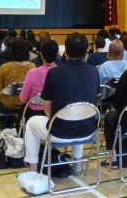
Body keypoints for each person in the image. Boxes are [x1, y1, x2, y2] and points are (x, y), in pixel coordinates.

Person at [24, 33, 100, 175]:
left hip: (59, 131)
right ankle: (78, 164)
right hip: (88, 130)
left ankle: (33, 170)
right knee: (79, 114)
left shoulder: (54, 73)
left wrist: (59, 118)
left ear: (65, 52)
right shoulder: (94, 72)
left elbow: (47, 107)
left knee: (30, 123)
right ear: (86, 51)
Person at [0, 39, 35, 123]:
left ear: (12, 51)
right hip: (26, 104)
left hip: (7, 104)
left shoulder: (4, 67)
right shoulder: (32, 66)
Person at [19, 39, 59, 120]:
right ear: (57, 54)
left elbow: (23, 99)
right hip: (56, 113)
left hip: (34, 115)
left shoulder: (32, 73)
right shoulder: (62, 72)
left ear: (41, 54)